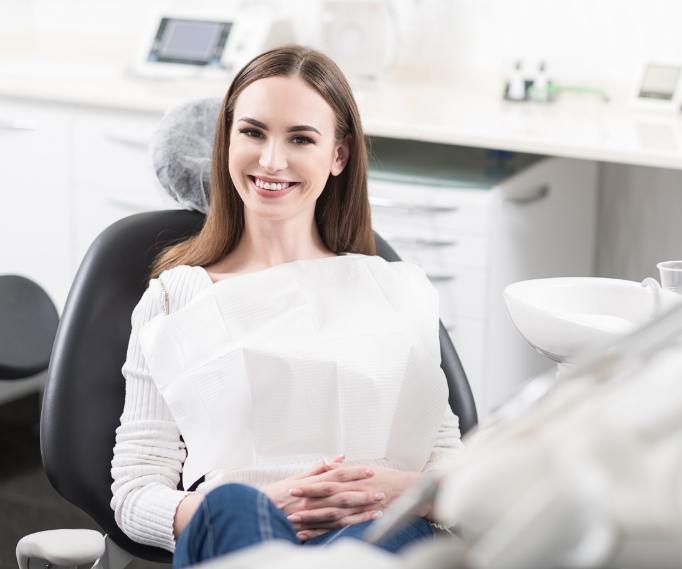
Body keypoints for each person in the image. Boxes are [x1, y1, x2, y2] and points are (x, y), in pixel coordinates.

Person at [110, 45, 463, 568]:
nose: (271, 160)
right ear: (227, 140)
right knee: (230, 507)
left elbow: (454, 471)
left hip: (376, 528)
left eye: (300, 138)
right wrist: (262, 504)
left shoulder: (398, 291)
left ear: (338, 156)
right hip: (238, 531)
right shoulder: (175, 299)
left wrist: (391, 490)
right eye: (252, 132)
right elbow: (135, 491)